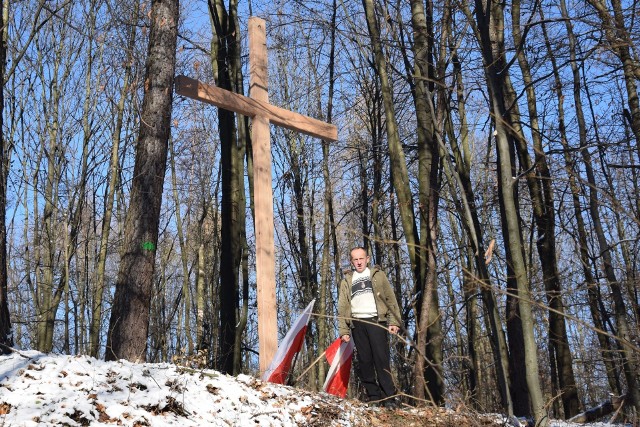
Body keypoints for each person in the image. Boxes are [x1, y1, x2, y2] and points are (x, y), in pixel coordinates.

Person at [338, 246, 402, 408]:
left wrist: (394, 321)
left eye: (361, 258)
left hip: (376, 321)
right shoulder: (346, 281)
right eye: (355, 259)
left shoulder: (378, 275)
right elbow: (342, 305)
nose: (359, 262)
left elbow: (390, 298)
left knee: (381, 359)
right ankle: (373, 397)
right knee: (365, 361)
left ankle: (389, 398)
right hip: (357, 324)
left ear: (367, 259)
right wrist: (344, 330)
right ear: (352, 262)